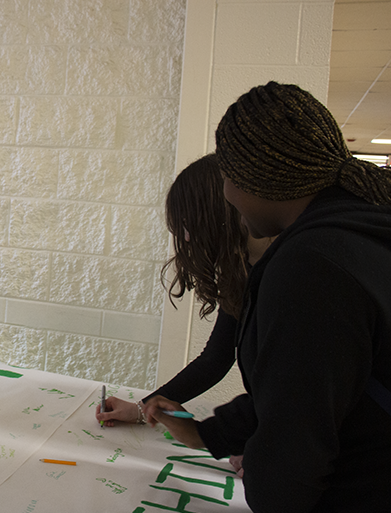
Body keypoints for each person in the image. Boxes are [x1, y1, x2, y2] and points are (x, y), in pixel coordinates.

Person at [147, 82, 391, 513]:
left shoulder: (312, 265)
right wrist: (210, 434)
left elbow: (296, 436)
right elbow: (301, 385)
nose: (226, 194)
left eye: (227, 179)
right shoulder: (372, 232)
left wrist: (267, 487)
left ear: (255, 178)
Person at [96, 154, 270, 450]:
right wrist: (143, 408)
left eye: (189, 225)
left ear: (218, 214)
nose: (187, 240)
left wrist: (209, 437)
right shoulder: (243, 269)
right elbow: (215, 359)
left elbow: (293, 396)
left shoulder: (288, 273)